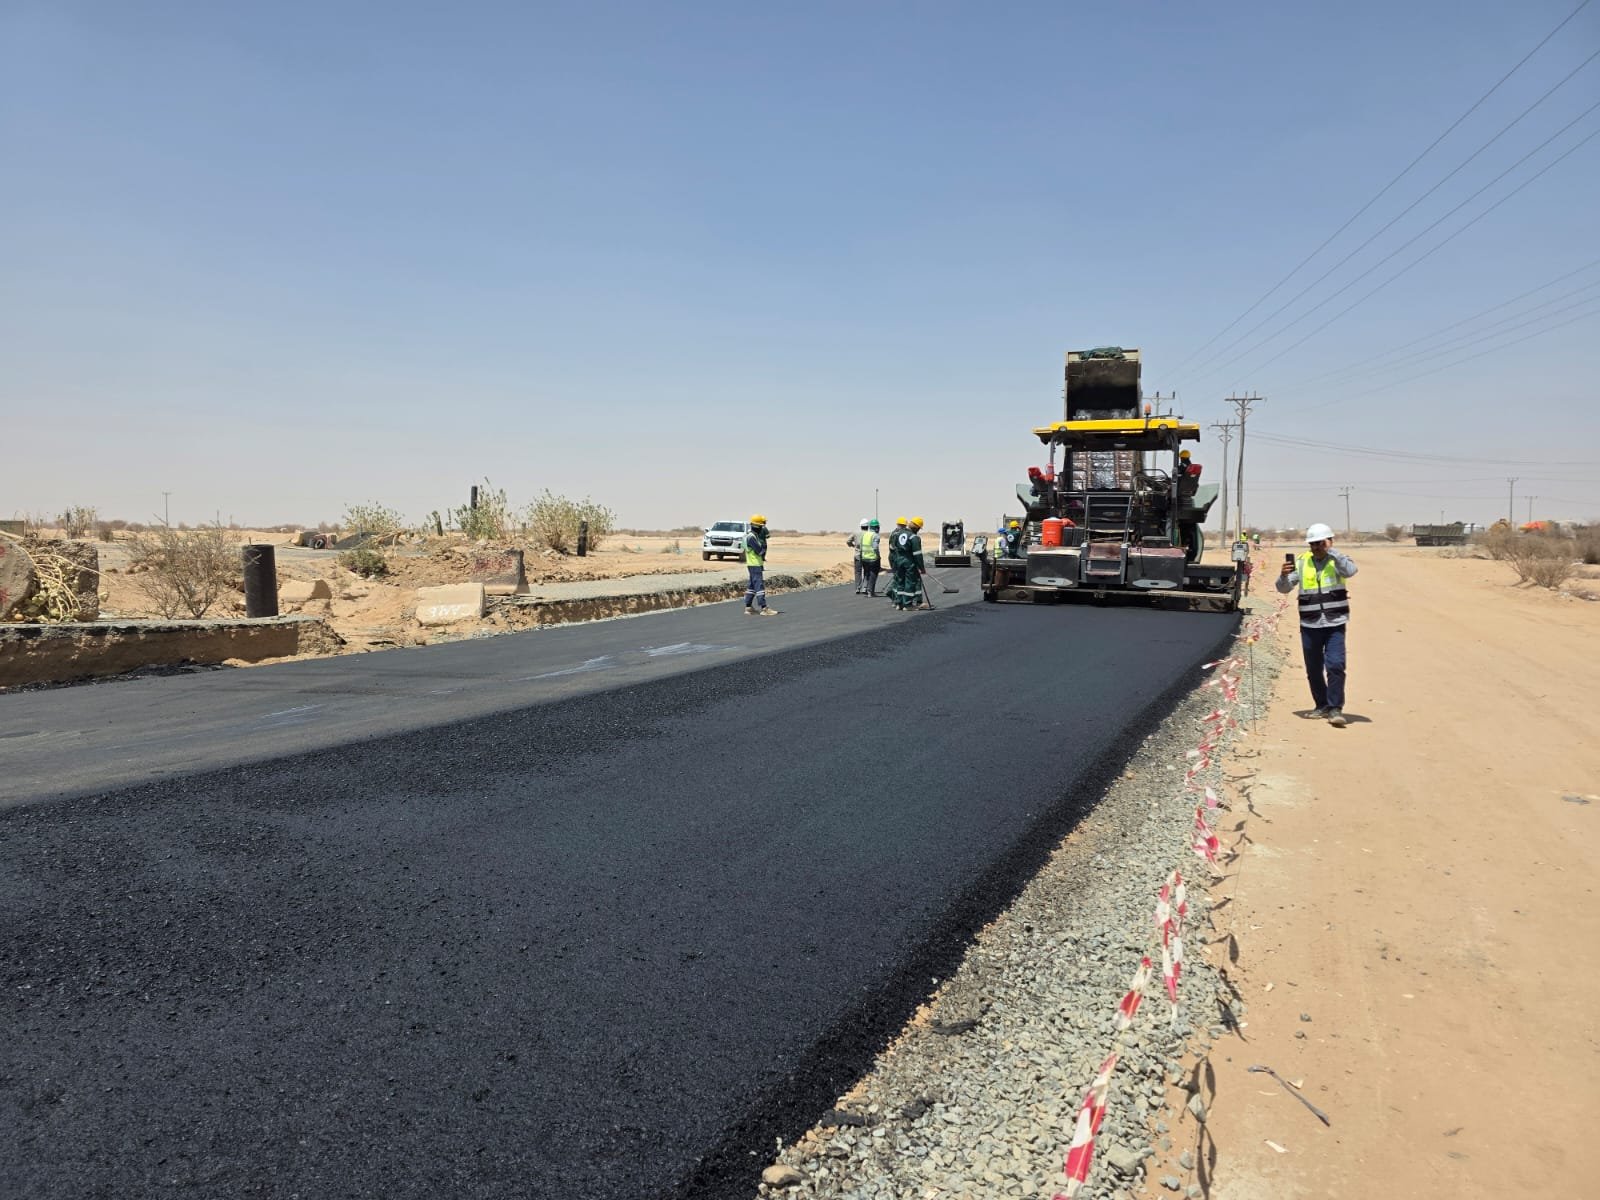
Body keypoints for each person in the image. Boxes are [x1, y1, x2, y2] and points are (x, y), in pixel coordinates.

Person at [1277, 522, 1357, 726]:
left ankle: (1335, 707)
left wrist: (1333, 552)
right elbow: (1284, 589)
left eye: (1320, 543)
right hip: (1310, 623)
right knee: (1313, 668)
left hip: (1334, 622)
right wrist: (1284, 575)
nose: (1316, 547)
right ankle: (1321, 705)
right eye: (1313, 543)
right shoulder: (1303, 562)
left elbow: (1350, 571)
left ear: (1329, 542)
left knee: (1336, 665)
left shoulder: (1338, 561)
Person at [743, 514, 778, 616]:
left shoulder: (750, 536)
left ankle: (748, 607)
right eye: (762, 526)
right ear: (757, 526)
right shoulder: (752, 537)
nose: (763, 528)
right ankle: (764, 608)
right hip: (755, 564)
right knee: (759, 585)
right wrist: (762, 547)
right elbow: (760, 551)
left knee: (752, 586)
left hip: (752, 564)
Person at [891, 517, 926, 611]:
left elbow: (894, 548)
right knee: (910, 582)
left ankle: (899, 603)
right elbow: (917, 554)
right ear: (917, 528)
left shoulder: (898, 534)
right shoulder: (914, 537)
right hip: (909, 562)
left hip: (898, 560)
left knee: (900, 581)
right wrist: (921, 568)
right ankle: (908, 604)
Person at [858, 519, 883, 596]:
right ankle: (870, 592)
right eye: (878, 527)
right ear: (876, 527)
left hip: (864, 558)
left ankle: (865, 588)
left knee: (867, 574)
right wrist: (878, 556)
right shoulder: (875, 535)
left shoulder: (865, 535)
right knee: (873, 575)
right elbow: (875, 548)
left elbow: (861, 547)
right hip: (873, 558)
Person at [846, 518, 870, 593]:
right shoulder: (869, 534)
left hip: (857, 555)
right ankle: (865, 588)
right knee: (867, 571)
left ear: (861, 526)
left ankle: (858, 588)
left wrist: (853, 546)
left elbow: (848, 541)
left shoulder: (855, 533)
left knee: (858, 572)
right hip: (867, 556)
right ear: (867, 526)